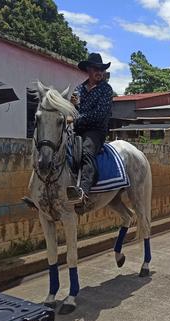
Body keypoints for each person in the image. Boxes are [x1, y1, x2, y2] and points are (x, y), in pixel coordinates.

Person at [66, 53, 114, 207]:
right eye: (96, 68)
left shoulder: (106, 90)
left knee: (86, 151)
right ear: (88, 69)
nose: (99, 71)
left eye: (101, 69)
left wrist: (76, 119)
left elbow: (99, 114)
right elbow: (73, 110)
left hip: (96, 131)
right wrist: (71, 107)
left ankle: (83, 193)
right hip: (77, 130)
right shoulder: (78, 89)